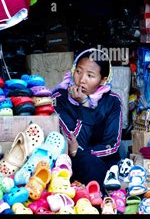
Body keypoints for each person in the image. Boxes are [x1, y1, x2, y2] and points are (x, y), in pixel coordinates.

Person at [52, 48, 122, 187]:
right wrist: (84, 105)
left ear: (103, 80)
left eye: (90, 76)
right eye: (78, 71)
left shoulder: (112, 101)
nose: (82, 80)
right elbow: (74, 141)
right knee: (85, 164)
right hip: (74, 162)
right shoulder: (59, 99)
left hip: (104, 159)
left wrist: (81, 151)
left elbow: (112, 144)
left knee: (98, 165)